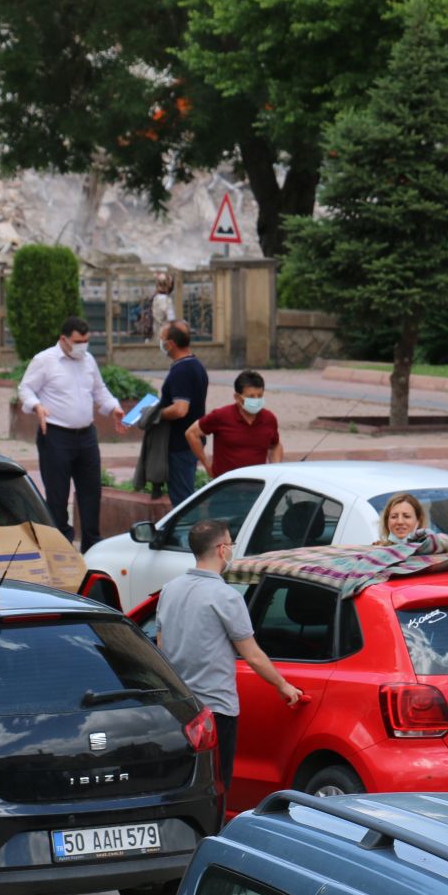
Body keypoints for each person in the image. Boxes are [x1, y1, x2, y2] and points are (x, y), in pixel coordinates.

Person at [156, 519, 303, 790]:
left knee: (183, 787)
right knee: (216, 784)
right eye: (231, 544)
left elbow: (162, 647)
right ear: (223, 549)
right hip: (216, 711)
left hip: (179, 708)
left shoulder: (169, 590)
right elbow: (253, 655)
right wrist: (283, 685)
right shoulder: (226, 597)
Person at [17, 316, 127, 552]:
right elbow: (25, 388)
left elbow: (100, 391)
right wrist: (37, 406)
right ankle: (60, 546)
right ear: (63, 339)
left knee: (91, 491)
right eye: (78, 341)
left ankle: (91, 544)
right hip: (56, 435)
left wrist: (113, 408)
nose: (82, 345)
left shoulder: (88, 360)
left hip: (86, 435)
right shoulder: (45, 360)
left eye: (86, 340)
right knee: (57, 495)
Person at [186, 370, 283, 479]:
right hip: (226, 485)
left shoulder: (269, 419)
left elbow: (275, 445)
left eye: (260, 396)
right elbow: (192, 433)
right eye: (251, 397)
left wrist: (275, 467)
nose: (256, 400)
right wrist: (207, 464)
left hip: (258, 484)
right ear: (237, 397)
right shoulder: (221, 416)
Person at [157, 320, 208, 504]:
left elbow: (180, 409)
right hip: (190, 441)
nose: (160, 343)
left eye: (162, 338)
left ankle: (186, 533)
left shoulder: (182, 370)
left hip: (181, 444)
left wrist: (156, 413)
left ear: (171, 343)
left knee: (182, 500)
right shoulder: (195, 364)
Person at [372, 492, 448, 553]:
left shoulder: (428, 544)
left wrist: (424, 543)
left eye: (406, 516)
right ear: (387, 521)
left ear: (418, 520)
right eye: (394, 517)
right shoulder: (380, 551)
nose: (399, 521)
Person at [149, 272, 178, 343]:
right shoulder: (166, 300)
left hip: (158, 331)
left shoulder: (156, 298)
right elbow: (171, 318)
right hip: (166, 334)